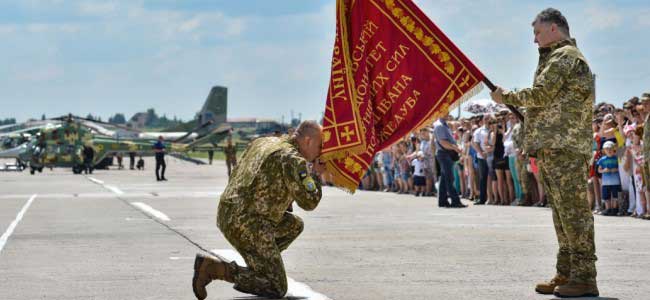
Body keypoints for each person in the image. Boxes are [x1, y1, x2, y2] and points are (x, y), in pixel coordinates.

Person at [490, 8, 598, 297]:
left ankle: (585, 276)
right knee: (562, 216)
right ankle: (566, 273)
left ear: (553, 28)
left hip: (565, 147)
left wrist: (506, 97)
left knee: (574, 215)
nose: (535, 40)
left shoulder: (566, 58)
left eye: (537, 32)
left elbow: (540, 94)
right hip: (554, 146)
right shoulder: (556, 57)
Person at [192, 120, 325, 299]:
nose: (320, 152)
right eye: (320, 146)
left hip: (227, 212)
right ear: (308, 141)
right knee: (276, 286)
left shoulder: (263, 142)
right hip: (249, 222)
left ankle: (261, 264)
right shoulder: (293, 159)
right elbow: (309, 203)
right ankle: (215, 269)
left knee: (294, 225)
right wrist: (316, 174)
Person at [433, 114, 466, 208]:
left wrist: (455, 146)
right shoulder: (440, 126)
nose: (448, 114)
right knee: (449, 178)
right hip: (444, 153)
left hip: (446, 153)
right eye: (445, 111)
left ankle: (442, 201)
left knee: (444, 179)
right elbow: (443, 142)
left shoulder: (444, 125)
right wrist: (455, 148)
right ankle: (455, 201)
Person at [597, 141, 621, 216]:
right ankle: (608, 209)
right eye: (607, 149)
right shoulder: (602, 159)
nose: (609, 150)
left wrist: (616, 169)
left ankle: (614, 209)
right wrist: (604, 170)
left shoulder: (617, 158)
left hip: (615, 181)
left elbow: (620, 168)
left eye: (610, 149)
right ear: (604, 150)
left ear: (613, 149)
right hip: (606, 182)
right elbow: (599, 170)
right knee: (606, 196)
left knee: (615, 196)